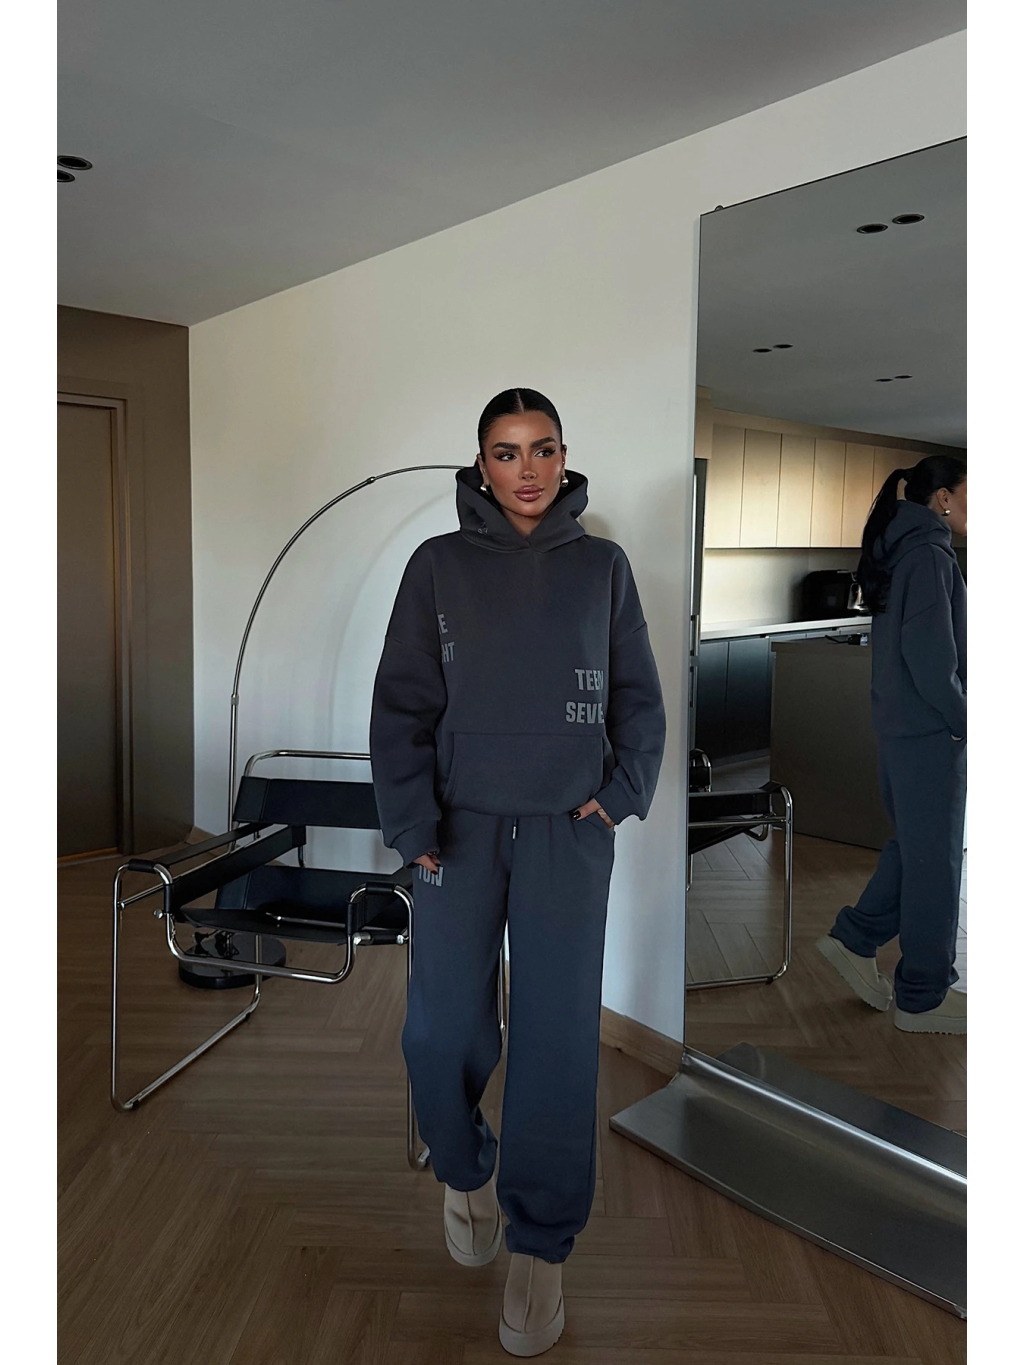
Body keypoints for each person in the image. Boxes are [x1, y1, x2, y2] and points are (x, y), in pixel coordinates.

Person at [369, 388, 666, 1357]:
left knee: (557, 1039)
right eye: (507, 452)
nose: (527, 470)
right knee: (441, 1026)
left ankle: (540, 1246)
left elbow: (638, 697)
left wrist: (617, 795)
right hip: (456, 833)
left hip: (566, 836)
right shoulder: (437, 565)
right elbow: (401, 704)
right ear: (482, 465)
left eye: (542, 449)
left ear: (564, 457)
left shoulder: (602, 567)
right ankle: (464, 1172)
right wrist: (412, 820)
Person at [817, 455, 967, 1034]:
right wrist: (964, 718)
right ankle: (923, 997)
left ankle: (856, 938)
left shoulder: (903, 548)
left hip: (902, 727)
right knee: (936, 862)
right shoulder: (929, 554)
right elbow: (931, 658)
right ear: (944, 498)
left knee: (916, 848)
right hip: (928, 730)